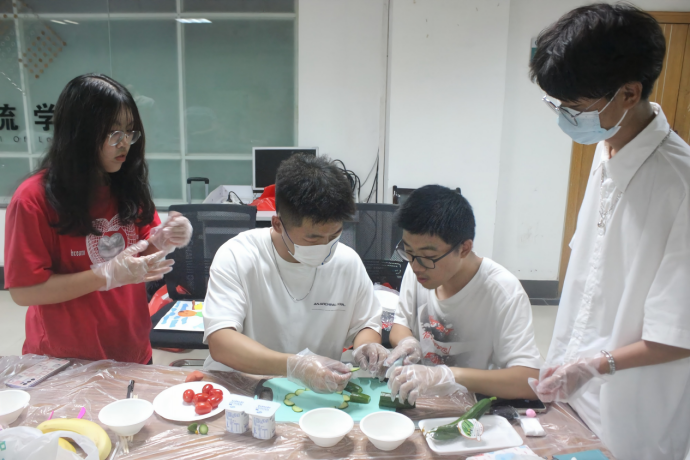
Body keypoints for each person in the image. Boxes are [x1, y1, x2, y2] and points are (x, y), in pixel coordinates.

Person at [529, 5, 690, 459]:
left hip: (632, 414)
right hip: (575, 393)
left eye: (575, 107)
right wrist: (571, 365)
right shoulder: (607, 150)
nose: (566, 117)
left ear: (628, 93)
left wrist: (596, 366)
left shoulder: (680, 185)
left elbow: (678, 332)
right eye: (558, 105)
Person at [4, 74, 192, 364]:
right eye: (114, 133)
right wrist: (103, 276)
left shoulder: (127, 184)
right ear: (79, 133)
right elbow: (24, 292)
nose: (125, 143)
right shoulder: (34, 199)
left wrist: (164, 239)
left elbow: (142, 253)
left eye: (129, 132)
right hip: (64, 359)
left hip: (131, 348)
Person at [203, 154, 387, 392]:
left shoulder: (347, 263)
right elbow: (221, 342)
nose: (326, 246)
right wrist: (295, 365)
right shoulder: (238, 256)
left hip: (317, 391)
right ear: (278, 224)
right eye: (313, 238)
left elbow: (365, 324)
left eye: (334, 235)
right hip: (244, 386)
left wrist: (366, 347)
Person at [385, 185, 541, 404]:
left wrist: (448, 375)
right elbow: (400, 325)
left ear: (464, 248)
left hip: (474, 406)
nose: (415, 266)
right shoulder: (418, 270)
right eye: (408, 252)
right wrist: (407, 342)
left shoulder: (503, 291)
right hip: (422, 401)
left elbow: (529, 381)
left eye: (427, 256)